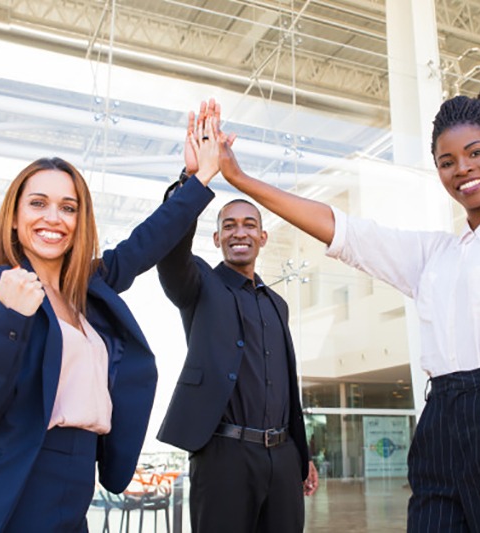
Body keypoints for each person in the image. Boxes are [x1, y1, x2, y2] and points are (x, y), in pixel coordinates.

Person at [217, 87, 480, 532]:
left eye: (475, 152)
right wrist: (241, 179)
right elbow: (343, 230)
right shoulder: (434, 255)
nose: (462, 169)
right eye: (447, 162)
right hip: (443, 419)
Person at [0, 119, 221, 532]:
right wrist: (11, 317)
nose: (54, 217)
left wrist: (197, 178)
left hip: (77, 478)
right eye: (38, 203)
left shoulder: (90, 287)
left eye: (68, 207)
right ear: (14, 218)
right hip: (13, 484)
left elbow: (147, 241)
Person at [156, 100, 318, 533]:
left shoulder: (276, 304)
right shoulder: (199, 285)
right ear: (217, 238)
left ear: (262, 237)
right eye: (229, 225)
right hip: (223, 456)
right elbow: (170, 252)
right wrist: (193, 179)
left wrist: (301, 456)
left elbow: (286, 386)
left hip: (282, 459)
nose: (239, 231)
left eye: (249, 224)